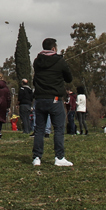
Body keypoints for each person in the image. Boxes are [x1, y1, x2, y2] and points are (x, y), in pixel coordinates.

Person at [31, 38, 73, 167]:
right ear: (54, 48)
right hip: (54, 98)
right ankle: (59, 157)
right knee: (59, 128)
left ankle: (37, 157)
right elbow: (69, 78)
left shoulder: (37, 61)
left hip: (40, 98)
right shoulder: (60, 61)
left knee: (39, 129)